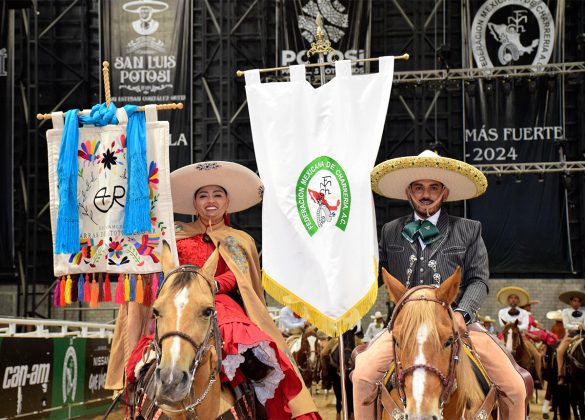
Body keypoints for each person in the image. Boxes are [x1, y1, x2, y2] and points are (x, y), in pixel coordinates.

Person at [107, 161, 320, 419]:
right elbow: (160, 265)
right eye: (203, 195)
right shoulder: (174, 235)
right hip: (180, 302)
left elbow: (240, 275)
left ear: (227, 202)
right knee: (162, 333)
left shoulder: (240, 240)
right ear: (194, 202)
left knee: (241, 333)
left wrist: (216, 284)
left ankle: (254, 384)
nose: (210, 201)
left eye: (217, 195)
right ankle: (141, 390)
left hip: (220, 300)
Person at [353, 150, 527, 419]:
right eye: (419, 187)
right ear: (409, 192)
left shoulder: (469, 229)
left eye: (434, 187)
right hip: (405, 327)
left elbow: (478, 279)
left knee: (515, 386)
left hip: (456, 324)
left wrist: (462, 314)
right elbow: (374, 277)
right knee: (362, 377)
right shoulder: (390, 230)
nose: (426, 193)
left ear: (444, 193)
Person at [497, 287, 544, 382]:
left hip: (522, 336)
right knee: (496, 352)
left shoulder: (524, 312)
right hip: (506, 336)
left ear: (518, 300)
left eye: (515, 298)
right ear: (508, 300)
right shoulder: (502, 312)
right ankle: (495, 375)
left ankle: (537, 377)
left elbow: (525, 326)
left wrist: (514, 326)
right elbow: (502, 324)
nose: (513, 299)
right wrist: (515, 325)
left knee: (537, 355)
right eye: (511, 297)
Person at [556, 290, 585, 385]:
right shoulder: (565, 311)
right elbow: (566, 325)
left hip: (583, 334)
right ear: (570, 302)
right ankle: (561, 374)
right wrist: (578, 326)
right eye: (574, 300)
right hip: (571, 335)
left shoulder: (584, 312)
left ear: (581, 303)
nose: (576, 303)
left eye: (578, 301)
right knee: (560, 351)